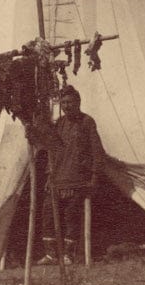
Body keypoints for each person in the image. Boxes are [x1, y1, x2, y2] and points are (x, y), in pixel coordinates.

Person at [38, 85, 105, 265]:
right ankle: (51, 254)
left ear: (78, 102)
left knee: (71, 216)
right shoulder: (59, 123)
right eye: (63, 102)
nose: (66, 106)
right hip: (57, 178)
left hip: (77, 179)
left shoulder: (86, 122)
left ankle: (69, 255)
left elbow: (97, 151)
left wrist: (94, 178)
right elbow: (50, 148)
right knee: (48, 215)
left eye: (70, 102)